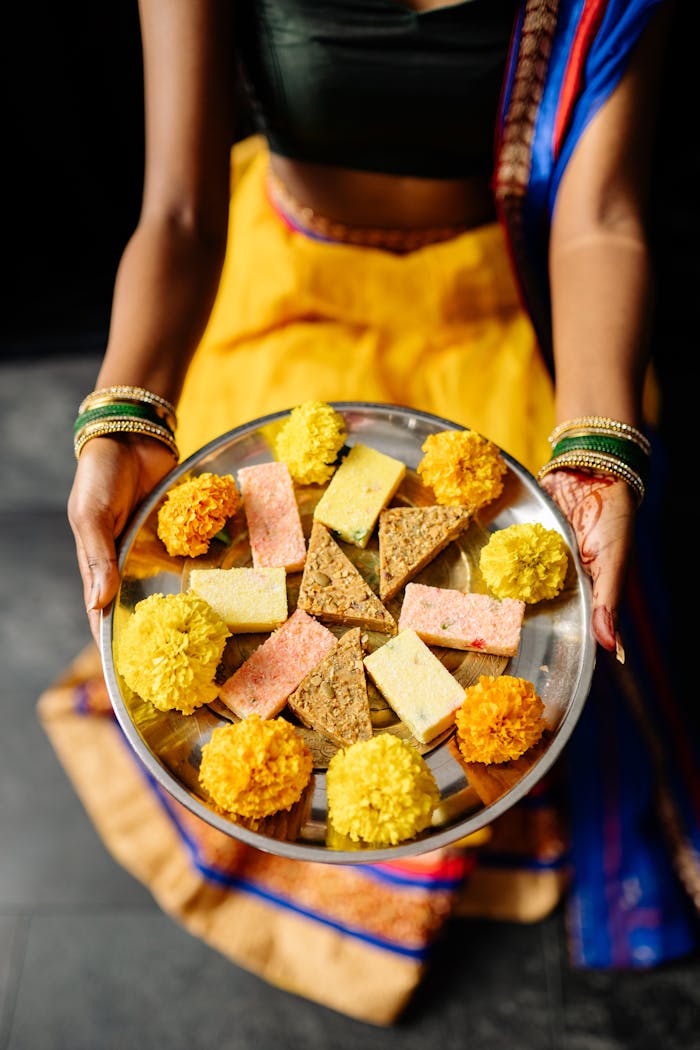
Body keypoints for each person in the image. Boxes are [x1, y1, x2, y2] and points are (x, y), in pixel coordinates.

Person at [37, 0, 699, 1026]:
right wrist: (125, 410)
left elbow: (601, 217)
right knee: (251, 605)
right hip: (290, 280)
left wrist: (597, 440)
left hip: (510, 294)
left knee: (494, 618)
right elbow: (175, 213)